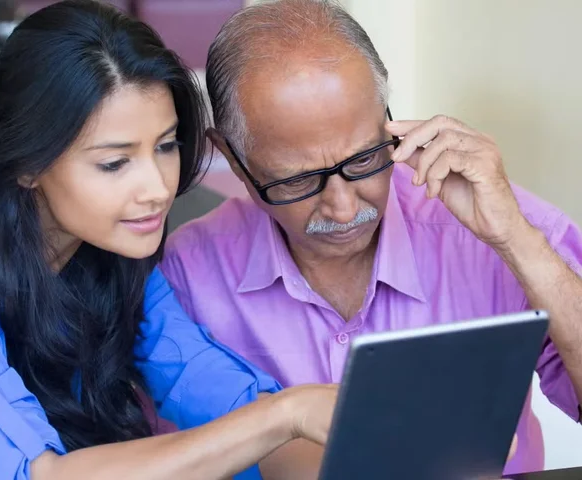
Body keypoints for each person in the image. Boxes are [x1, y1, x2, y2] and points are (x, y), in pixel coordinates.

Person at [0, 2, 338, 479]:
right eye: (114, 163)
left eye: (166, 146)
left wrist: (310, 430)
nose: (157, 189)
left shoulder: (112, 255)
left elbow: (215, 391)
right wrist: (285, 415)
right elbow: (33, 474)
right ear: (27, 162)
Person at [161, 0, 582, 475]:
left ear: (388, 118)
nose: (344, 208)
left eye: (364, 160)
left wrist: (519, 243)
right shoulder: (188, 272)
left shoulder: (498, 223)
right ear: (235, 162)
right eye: (297, 181)